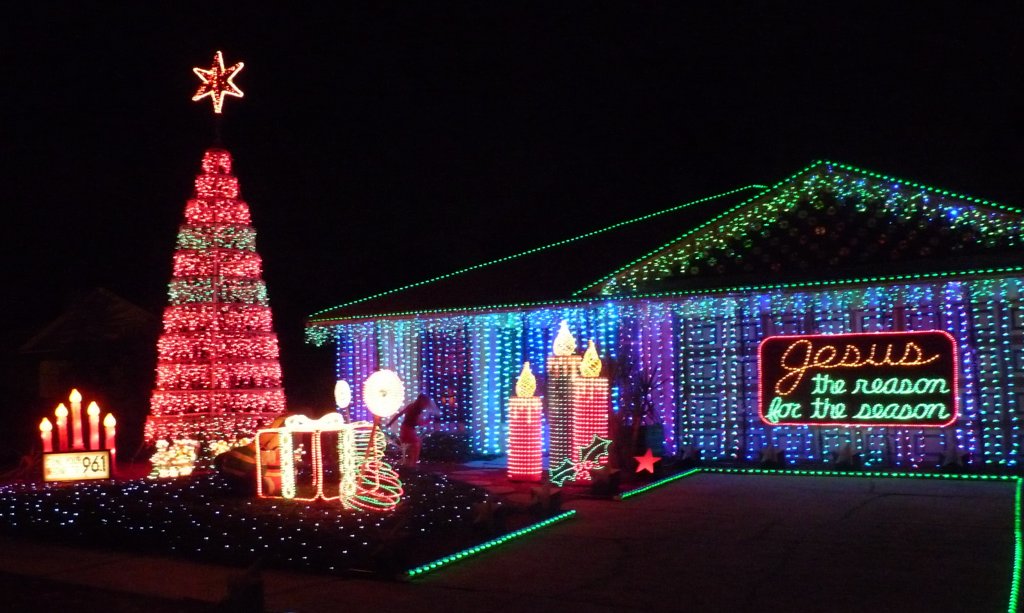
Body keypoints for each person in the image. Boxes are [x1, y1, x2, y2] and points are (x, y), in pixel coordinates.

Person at [387, 394, 436, 466]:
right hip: (408, 430)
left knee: (414, 447)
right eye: (425, 403)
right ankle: (412, 465)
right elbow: (417, 423)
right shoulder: (416, 410)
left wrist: (390, 423)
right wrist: (428, 421)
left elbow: (399, 414)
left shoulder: (411, 406)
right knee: (416, 445)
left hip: (404, 428)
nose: (426, 405)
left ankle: (410, 465)